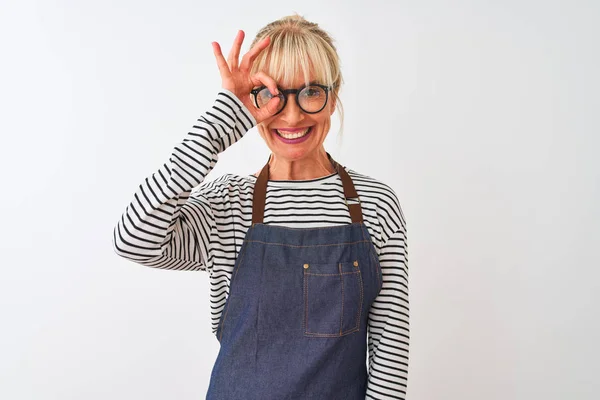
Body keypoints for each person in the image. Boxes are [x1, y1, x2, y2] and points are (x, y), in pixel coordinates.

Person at [112, 14, 409, 400]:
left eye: (311, 92)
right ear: (251, 103)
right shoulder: (228, 204)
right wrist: (220, 124)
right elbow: (133, 240)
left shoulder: (374, 204)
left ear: (333, 98)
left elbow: (390, 350)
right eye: (272, 95)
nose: (292, 115)